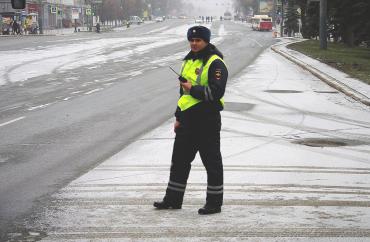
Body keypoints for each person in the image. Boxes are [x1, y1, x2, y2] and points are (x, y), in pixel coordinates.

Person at [153, 26, 228, 215]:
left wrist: (192, 88)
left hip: (207, 120)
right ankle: (172, 200)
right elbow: (182, 95)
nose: (194, 43)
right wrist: (178, 117)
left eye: (198, 40)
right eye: (192, 40)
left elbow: (216, 92)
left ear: (206, 41)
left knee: (211, 163)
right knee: (179, 161)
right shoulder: (188, 61)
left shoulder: (215, 63)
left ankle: (214, 203)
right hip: (187, 121)